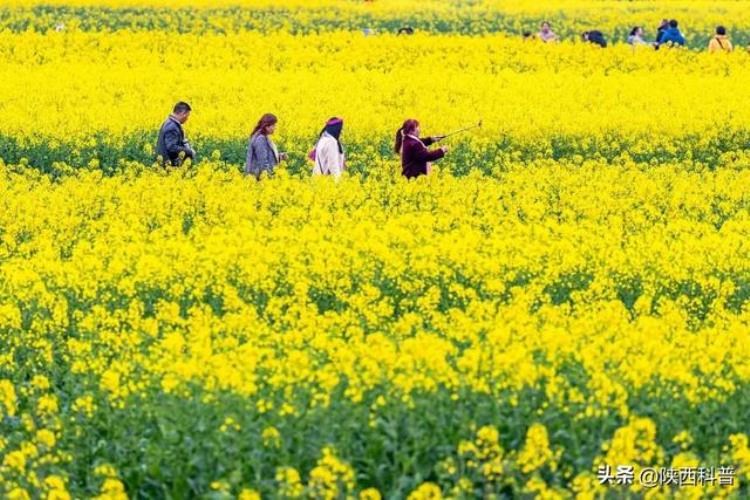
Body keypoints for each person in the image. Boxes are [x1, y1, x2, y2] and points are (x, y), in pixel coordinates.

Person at [245, 113, 287, 179]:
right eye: (273, 125)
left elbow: (267, 156)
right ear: (267, 127)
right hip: (258, 179)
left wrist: (279, 156)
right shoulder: (260, 139)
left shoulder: (264, 137)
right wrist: (269, 177)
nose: (275, 128)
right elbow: (263, 163)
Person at [156, 101, 195, 167]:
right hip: (168, 166)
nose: (187, 119)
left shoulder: (169, 122)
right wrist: (189, 152)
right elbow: (171, 147)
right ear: (183, 113)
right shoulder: (172, 126)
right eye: (187, 116)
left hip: (166, 164)